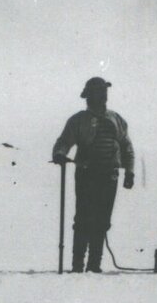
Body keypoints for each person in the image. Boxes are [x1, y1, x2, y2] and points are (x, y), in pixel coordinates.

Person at [52, 76, 135, 274]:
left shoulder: (116, 119)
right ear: (89, 96)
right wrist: (60, 154)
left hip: (109, 177)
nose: (102, 96)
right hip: (87, 175)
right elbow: (64, 141)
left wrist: (129, 172)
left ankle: (94, 264)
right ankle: (78, 265)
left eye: (104, 92)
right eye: (98, 92)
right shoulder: (78, 120)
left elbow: (126, 147)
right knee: (83, 220)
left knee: (102, 220)